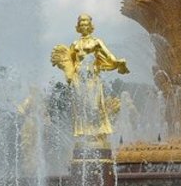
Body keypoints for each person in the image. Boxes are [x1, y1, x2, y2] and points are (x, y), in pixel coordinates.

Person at [51, 14, 130, 146]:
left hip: (92, 77)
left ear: (90, 26)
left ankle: (99, 133)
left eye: (86, 23)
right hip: (78, 77)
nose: (83, 26)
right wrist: (68, 73)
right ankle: (85, 133)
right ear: (78, 27)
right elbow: (70, 60)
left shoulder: (97, 42)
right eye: (81, 24)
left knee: (95, 104)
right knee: (82, 105)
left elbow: (108, 55)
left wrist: (117, 62)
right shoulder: (75, 44)